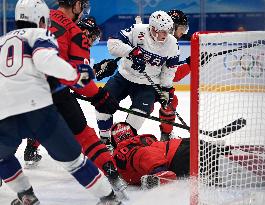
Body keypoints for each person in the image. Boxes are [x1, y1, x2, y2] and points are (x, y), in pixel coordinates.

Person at [0, 1, 122, 205]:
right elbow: (50, 62)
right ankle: (110, 193)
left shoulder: (3, 40)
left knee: (3, 156)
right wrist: (94, 93)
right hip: (43, 99)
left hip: (6, 103)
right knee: (77, 153)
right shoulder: (61, 31)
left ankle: (26, 195)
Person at [46, 0, 127, 195]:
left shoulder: (37, 16)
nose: (82, 13)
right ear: (76, 5)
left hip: (16, 85)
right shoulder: (75, 32)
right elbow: (79, 79)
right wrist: (100, 95)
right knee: (85, 135)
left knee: (10, 130)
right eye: (82, 8)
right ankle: (111, 174)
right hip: (53, 91)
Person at [94, 10, 179, 145]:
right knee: (102, 104)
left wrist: (165, 89)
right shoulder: (137, 31)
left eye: (168, 30)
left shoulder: (172, 44)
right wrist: (131, 52)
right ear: (153, 28)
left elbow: (169, 70)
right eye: (163, 31)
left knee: (138, 116)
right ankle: (104, 139)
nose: (166, 34)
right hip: (123, 77)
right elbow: (112, 44)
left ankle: (123, 144)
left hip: (148, 84)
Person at [110, 122, 230, 189]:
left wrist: (159, 171)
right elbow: (145, 155)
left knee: (203, 150)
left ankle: (216, 150)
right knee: (204, 151)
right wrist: (159, 171)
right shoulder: (130, 149)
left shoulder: (128, 151)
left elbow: (146, 154)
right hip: (176, 155)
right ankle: (217, 150)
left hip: (176, 152)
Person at [158, 9, 192, 141]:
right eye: (181, 28)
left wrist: (190, 63)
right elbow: (174, 76)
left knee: (171, 99)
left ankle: (165, 135)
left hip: (150, 80)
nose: (183, 32)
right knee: (170, 100)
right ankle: (165, 135)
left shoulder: (168, 41)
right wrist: (191, 64)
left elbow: (170, 73)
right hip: (143, 82)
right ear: (172, 27)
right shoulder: (165, 43)